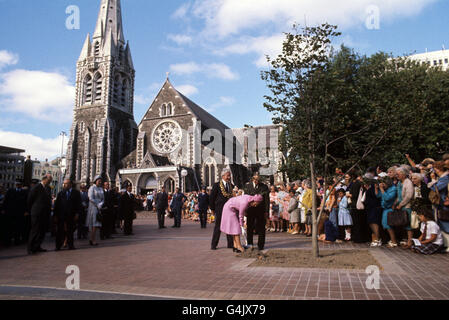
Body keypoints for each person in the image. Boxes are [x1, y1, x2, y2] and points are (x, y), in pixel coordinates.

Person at [27, 174, 53, 254]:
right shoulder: (36, 187)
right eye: (49, 180)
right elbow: (30, 199)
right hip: (37, 212)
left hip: (45, 213)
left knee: (42, 231)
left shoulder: (48, 188)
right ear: (44, 179)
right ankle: (30, 248)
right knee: (35, 230)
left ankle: (37, 246)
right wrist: (31, 210)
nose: (50, 182)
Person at [243, 173, 270, 251]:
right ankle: (250, 244)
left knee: (261, 228)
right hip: (250, 209)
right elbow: (245, 198)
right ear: (252, 179)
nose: (256, 181)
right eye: (255, 179)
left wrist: (266, 211)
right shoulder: (247, 186)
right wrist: (246, 209)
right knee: (250, 227)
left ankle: (261, 245)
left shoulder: (264, 187)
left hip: (261, 210)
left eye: (258, 180)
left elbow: (266, 200)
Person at [210, 169, 235, 250]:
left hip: (229, 209)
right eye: (228, 175)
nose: (229, 177)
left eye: (229, 175)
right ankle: (214, 245)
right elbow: (212, 198)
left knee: (229, 226)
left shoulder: (231, 185)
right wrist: (212, 209)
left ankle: (230, 244)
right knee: (218, 227)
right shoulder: (217, 185)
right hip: (220, 209)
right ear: (223, 176)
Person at [53, 179, 81, 251]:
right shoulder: (61, 193)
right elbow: (56, 205)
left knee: (70, 230)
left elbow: (78, 204)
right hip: (61, 215)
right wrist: (55, 215)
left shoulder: (76, 193)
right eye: (64, 184)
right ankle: (58, 246)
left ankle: (71, 245)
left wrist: (77, 213)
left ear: (70, 184)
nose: (64, 185)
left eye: (66, 184)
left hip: (71, 215)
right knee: (60, 231)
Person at [3, 179, 29, 246]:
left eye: (19, 184)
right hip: (10, 212)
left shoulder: (24, 192)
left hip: (20, 213)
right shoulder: (10, 191)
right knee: (9, 228)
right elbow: (6, 201)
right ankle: (7, 242)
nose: (18, 185)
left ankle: (17, 241)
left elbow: (26, 203)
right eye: (17, 184)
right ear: (15, 184)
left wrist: (26, 211)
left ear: (21, 185)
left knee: (18, 228)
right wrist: (4, 209)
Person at [375, 177, 398, 248]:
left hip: (390, 209)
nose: (383, 185)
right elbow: (378, 195)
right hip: (385, 208)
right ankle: (392, 240)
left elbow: (387, 198)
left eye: (384, 184)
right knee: (385, 225)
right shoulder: (385, 189)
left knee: (389, 225)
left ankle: (394, 241)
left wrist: (382, 189)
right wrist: (377, 188)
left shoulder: (393, 189)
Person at [395, 167, 415, 248]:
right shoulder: (399, 183)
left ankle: (410, 241)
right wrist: (395, 203)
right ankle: (406, 240)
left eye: (398, 174)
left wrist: (401, 204)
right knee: (404, 224)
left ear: (403, 174)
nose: (397, 175)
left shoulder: (408, 182)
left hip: (407, 206)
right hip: (400, 206)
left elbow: (408, 196)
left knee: (408, 224)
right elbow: (398, 195)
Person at [87, 176, 104, 246]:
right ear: (95, 181)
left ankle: (92, 239)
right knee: (94, 224)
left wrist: (101, 204)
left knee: (96, 224)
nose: (100, 182)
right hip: (93, 207)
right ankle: (92, 239)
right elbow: (90, 198)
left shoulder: (101, 188)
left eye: (100, 180)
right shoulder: (92, 188)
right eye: (98, 180)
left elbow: (103, 198)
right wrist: (97, 204)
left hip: (99, 207)